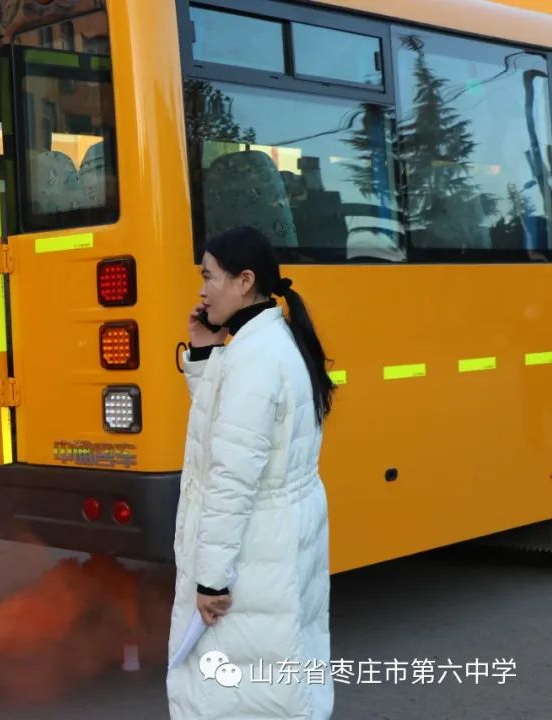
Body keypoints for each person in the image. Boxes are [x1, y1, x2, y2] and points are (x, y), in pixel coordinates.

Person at [167, 226, 335, 719]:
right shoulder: (266, 342)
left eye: (208, 276)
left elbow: (231, 475)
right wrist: (202, 352)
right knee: (277, 674)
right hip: (275, 540)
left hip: (250, 551)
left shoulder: (256, 357)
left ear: (245, 281)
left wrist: (212, 579)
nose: (201, 290)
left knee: (231, 691)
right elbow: (231, 429)